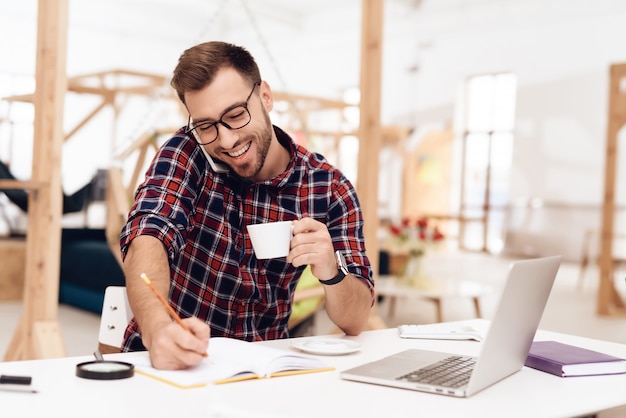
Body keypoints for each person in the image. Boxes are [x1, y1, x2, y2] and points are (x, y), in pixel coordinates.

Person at [119, 41, 374, 370]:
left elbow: (355, 320)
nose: (226, 141)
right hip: (167, 360)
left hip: (263, 368)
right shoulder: (187, 152)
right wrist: (158, 331)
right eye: (206, 125)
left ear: (265, 96)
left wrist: (331, 271)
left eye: (235, 115)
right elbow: (148, 234)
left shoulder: (327, 187)